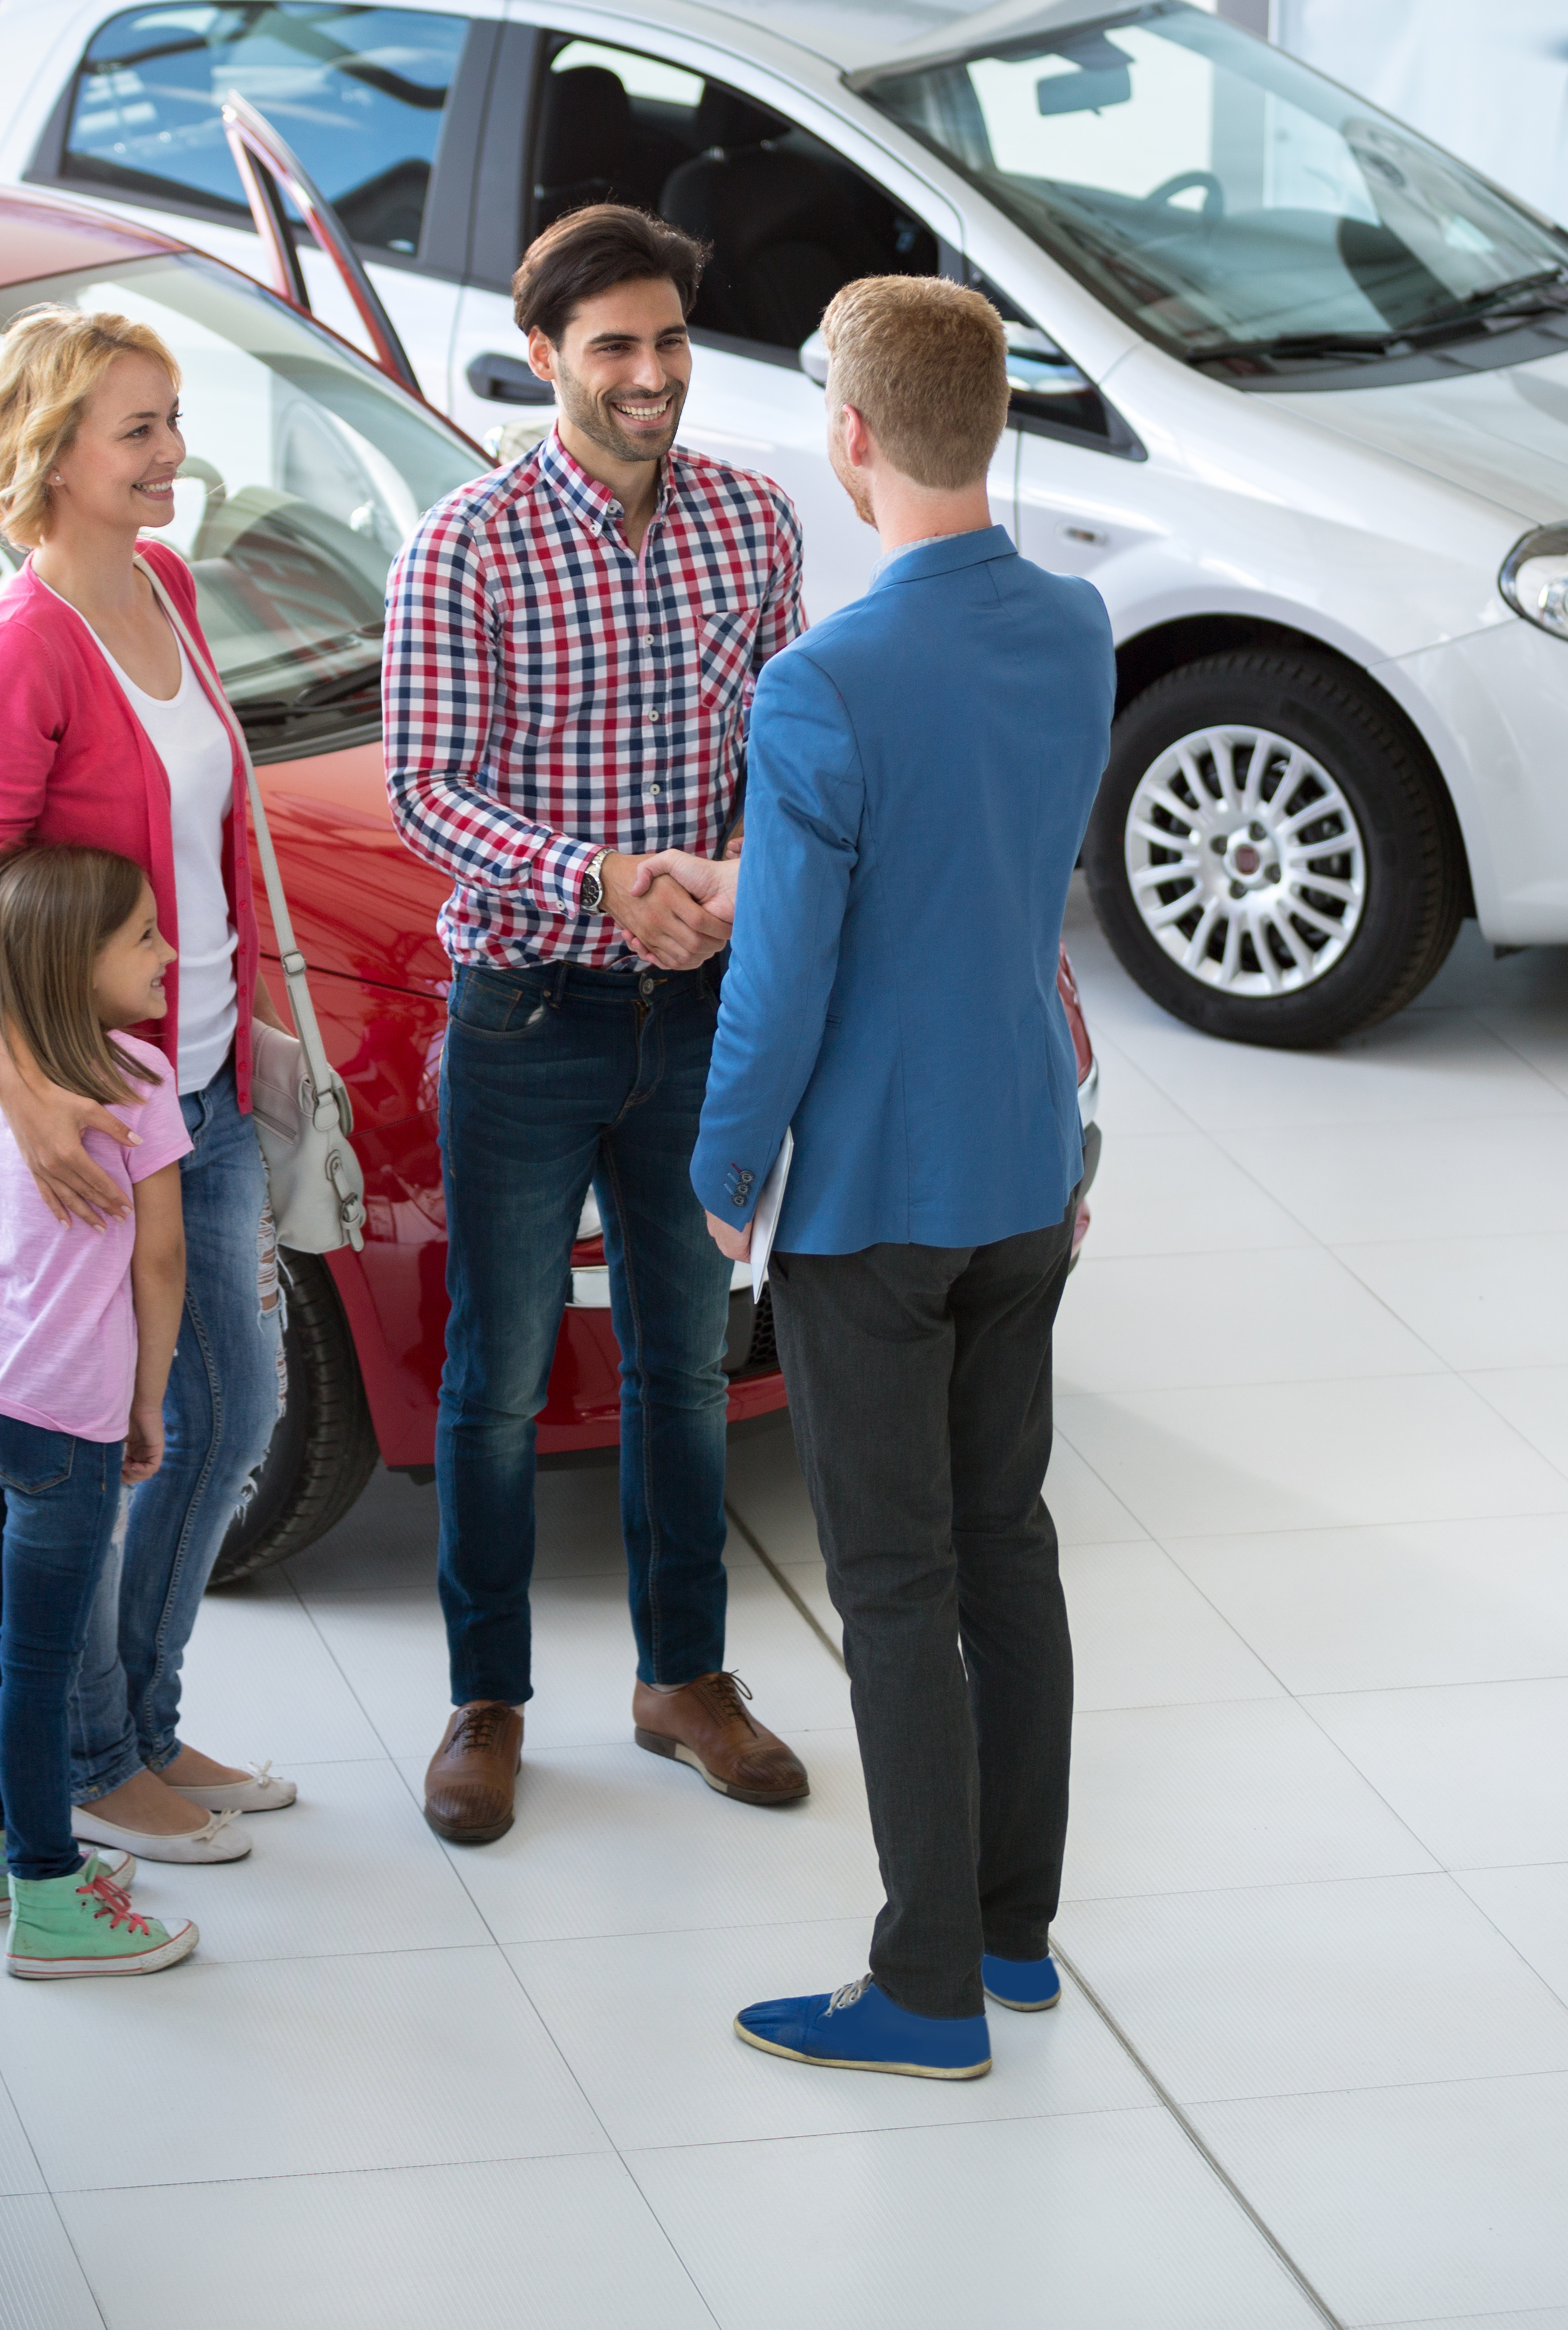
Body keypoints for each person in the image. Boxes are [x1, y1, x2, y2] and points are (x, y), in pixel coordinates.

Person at [672, 276, 1114, 2077]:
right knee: (1008, 1543)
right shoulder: (1076, 624)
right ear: (986, 423)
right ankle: (1011, 1934)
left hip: (875, 1193)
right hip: (1024, 1154)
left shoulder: (822, 682)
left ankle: (921, 1983)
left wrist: (721, 1172)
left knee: (898, 1581)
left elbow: (780, 978)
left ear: (848, 437)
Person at [376, 204, 811, 1846]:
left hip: (701, 1009)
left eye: (670, 342)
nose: (650, 376)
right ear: (545, 353)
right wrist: (599, 874)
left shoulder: (752, 525)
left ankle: (681, 1680)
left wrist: (738, 874)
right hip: (527, 1007)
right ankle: (486, 1699)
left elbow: (787, 752)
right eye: (614, 346)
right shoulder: (466, 546)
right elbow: (423, 788)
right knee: (491, 1377)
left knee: (683, 1363)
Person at [0, 305, 290, 1867]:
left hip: (200, 1082)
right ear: (57, 455)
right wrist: (19, 1085)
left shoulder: (165, 583)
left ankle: (138, 1718)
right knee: (98, 1438)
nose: (173, 453)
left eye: (173, 418)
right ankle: (86, 1756)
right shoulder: (21, 649)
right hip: (98, 1107)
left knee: (230, 1407)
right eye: (138, 429)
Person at [0, 843, 200, 1979]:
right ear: (73, 959)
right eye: (142, 934)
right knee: (40, 1664)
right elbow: (164, 1260)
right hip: (66, 1416)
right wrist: (148, 1402)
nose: (168, 950)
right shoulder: (137, 1083)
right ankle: (50, 1896)